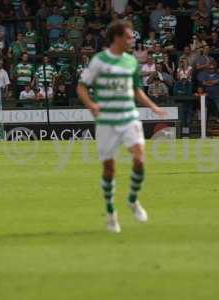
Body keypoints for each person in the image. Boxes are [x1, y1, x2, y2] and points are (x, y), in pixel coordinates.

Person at [77, 20, 167, 233]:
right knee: (109, 168)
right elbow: (81, 87)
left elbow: (136, 90)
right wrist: (91, 104)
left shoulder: (131, 62)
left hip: (128, 117)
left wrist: (154, 107)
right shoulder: (99, 61)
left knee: (140, 158)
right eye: (128, 37)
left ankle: (133, 200)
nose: (132, 40)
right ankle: (111, 213)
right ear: (117, 38)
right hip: (107, 121)